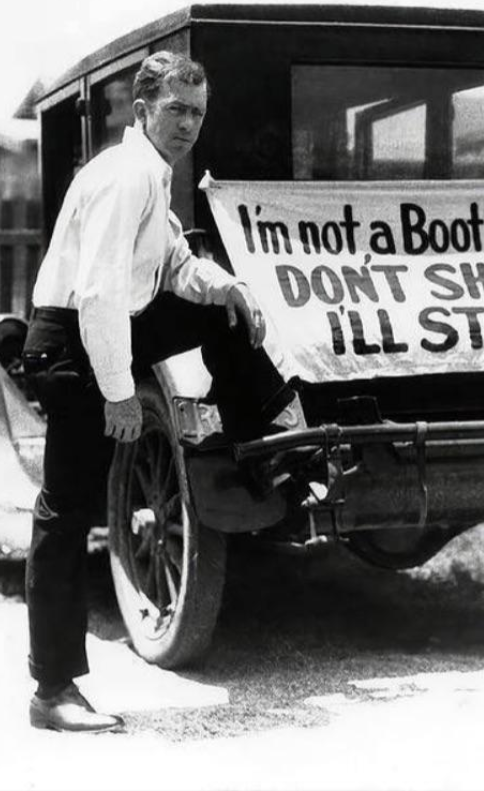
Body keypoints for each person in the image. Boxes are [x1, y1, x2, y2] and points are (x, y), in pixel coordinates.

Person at [22, 51, 303, 733]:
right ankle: (52, 692)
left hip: (112, 327)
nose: (187, 124)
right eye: (176, 109)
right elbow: (99, 292)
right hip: (71, 345)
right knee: (66, 512)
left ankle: (267, 439)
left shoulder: (154, 173)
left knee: (220, 307)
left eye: (197, 113)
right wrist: (119, 394)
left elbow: (174, 265)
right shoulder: (124, 177)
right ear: (141, 108)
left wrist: (227, 285)